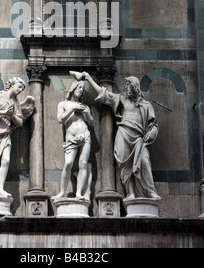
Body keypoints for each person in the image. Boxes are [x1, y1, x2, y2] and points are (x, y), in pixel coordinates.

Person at [80, 72, 160, 200]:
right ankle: (130, 192)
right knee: (125, 166)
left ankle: (150, 191)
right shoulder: (122, 99)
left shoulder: (146, 105)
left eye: (128, 86)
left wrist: (151, 133)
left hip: (139, 139)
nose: (126, 88)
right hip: (123, 135)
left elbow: (153, 125)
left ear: (135, 87)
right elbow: (104, 93)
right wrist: (89, 79)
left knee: (144, 161)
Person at [55, 80, 94, 200]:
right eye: (79, 87)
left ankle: (79, 193)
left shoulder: (85, 106)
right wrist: (72, 109)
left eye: (82, 89)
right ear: (73, 88)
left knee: (83, 164)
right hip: (71, 138)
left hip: (85, 135)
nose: (81, 90)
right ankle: (62, 192)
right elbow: (60, 119)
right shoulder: (63, 104)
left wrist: (87, 114)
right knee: (68, 163)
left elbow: (91, 123)